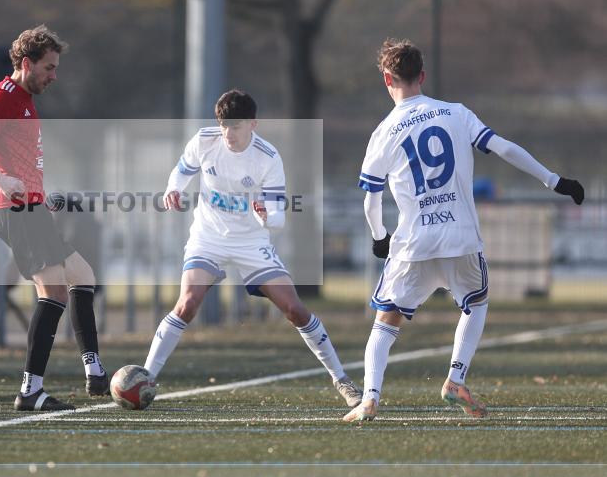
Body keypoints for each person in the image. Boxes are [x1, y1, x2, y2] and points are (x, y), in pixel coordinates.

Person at [343, 39, 585, 422]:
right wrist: (554, 180)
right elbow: (503, 148)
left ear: (387, 79)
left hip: (413, 244)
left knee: (386, 321)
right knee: (477, 303)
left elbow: (371, 198)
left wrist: (378, 237)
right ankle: (455, 378)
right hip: (460, 238)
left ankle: (370, 397)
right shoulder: (455, 113)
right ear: (422, 75)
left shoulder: (383, 132)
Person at [143, 89, 362, 407]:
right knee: (187, 304)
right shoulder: (204, 141)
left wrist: (265, 217)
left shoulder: (268, 158)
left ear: (253, 124)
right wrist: (172, 190)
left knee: (294, 309)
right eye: (224, 126)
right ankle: (146, 379)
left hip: (252, 242)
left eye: (235, 126)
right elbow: (182, 171)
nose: (228, 134)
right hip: (209, 237)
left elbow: (277, 221)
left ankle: (342, 380)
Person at [0, 25, 107, 411]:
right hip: (12, 209)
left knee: (83, 277)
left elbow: (21, 159)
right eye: (49, 68)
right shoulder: (1, 96)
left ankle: (94, 371)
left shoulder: (25, 98)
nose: (54, 76)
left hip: (31, 208)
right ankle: (30, 390)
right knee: (54, 291)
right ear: (27, 63)